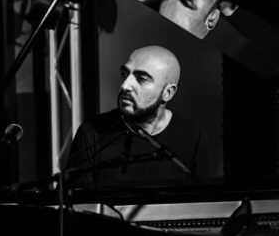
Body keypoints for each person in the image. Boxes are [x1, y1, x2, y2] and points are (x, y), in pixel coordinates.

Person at [64, 45, 211, 187]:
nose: (125, 86)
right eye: (124, 74)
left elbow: (205, 199)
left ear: (168, 93)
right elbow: (78, 200)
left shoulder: (193, 135)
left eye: (141, 79)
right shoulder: (92, 132)